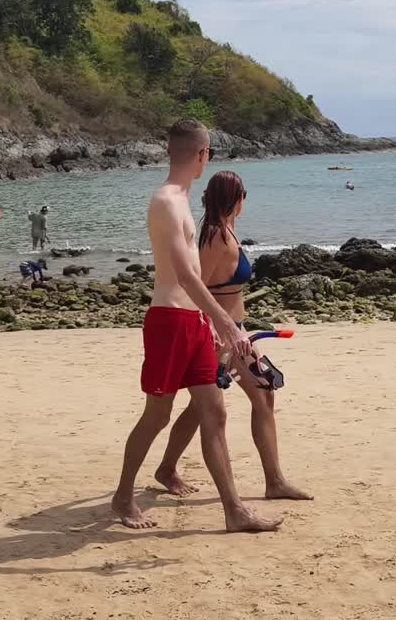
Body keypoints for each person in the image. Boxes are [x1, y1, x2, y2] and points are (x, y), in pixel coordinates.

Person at [111, 119, 281, 533]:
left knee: (214, 411)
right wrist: (228, 325)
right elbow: (187, 276)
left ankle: (234, 510)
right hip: (169, 321)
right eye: (207, 154)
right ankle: (122, 496)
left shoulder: (183, 201)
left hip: (193, 322)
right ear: (202, 155)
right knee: (157, 416)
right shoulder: (167, 201)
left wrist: (210, 324)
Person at [155, 171, 312, 502]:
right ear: (236, 197)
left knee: (250, 397)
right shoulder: (215, 237)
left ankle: (272, 480)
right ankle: (273, 481)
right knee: (216, 405)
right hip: (221, 336)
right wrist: (218, 332)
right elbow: (197, 285)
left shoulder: (226, 230)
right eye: (244, 195)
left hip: (238, 333)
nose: (245, 202)